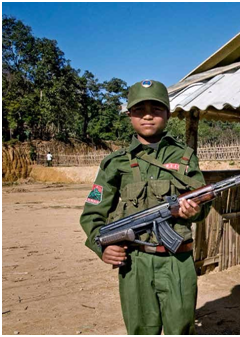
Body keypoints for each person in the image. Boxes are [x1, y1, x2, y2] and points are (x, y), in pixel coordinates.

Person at [79, 79, 212, 335]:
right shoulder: (115, 163)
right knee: (141, 330)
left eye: (156, 109)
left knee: (180, 328)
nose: (148, 116)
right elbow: (92, 214)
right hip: (135, 261)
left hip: (178, 260)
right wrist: (102, 247)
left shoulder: (184, 156)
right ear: (129, 115)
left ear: (168, 114)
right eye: (140, 110)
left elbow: (202, 205)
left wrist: (194, 211)